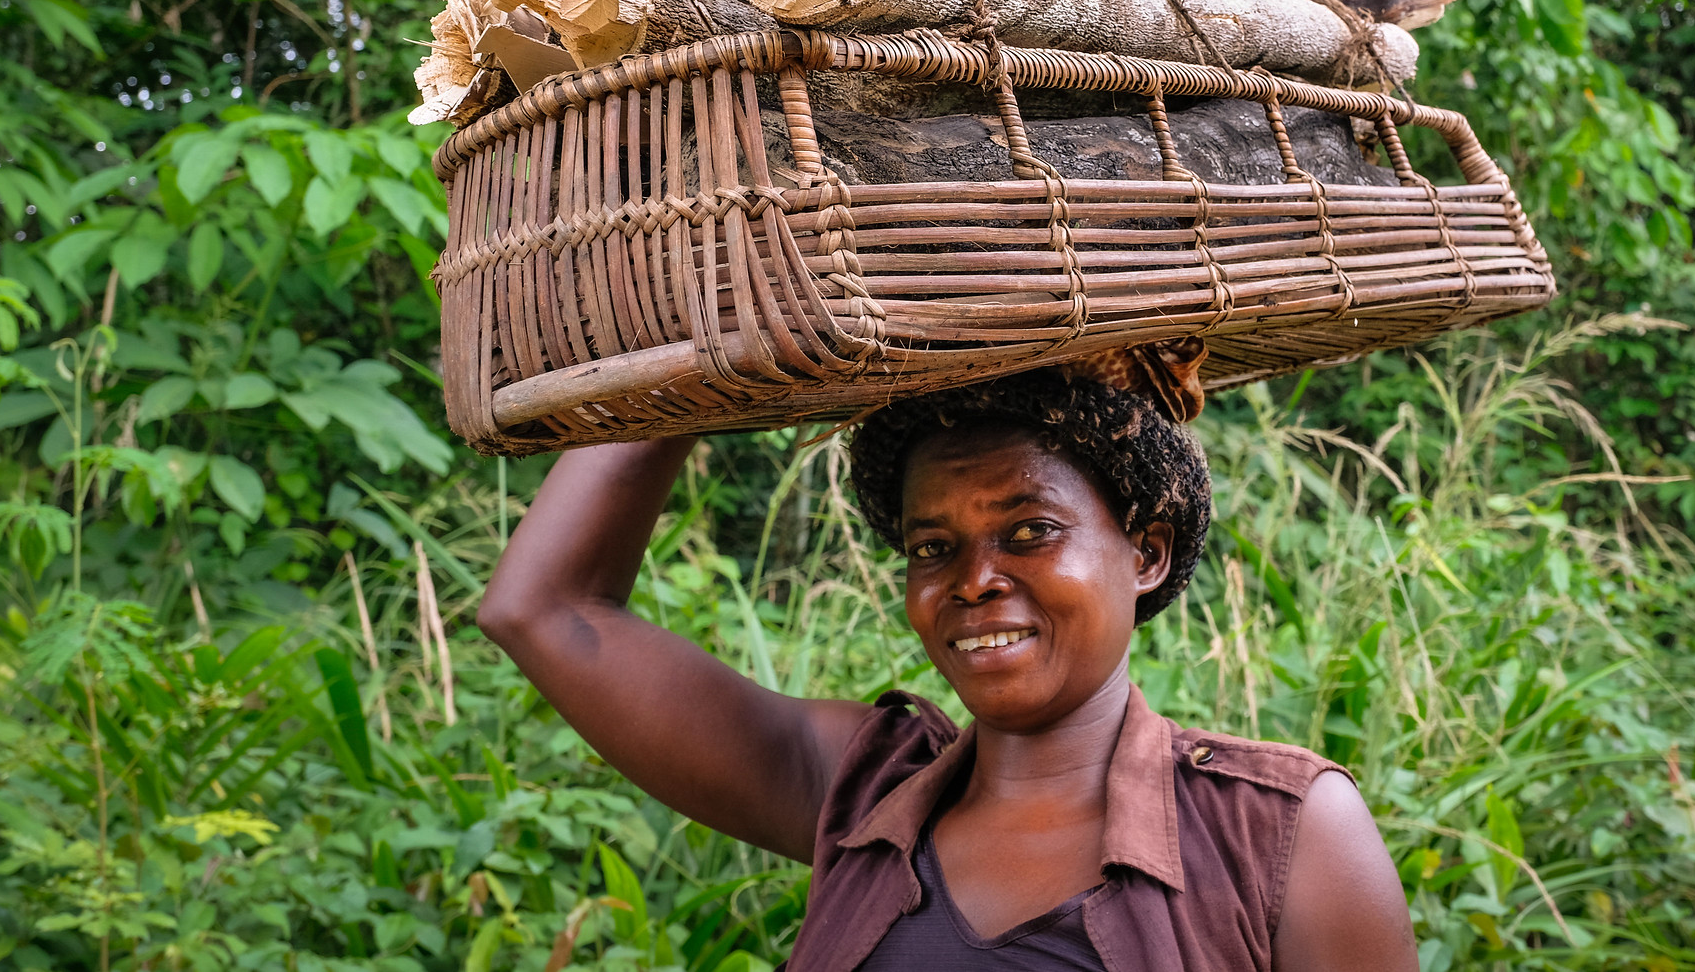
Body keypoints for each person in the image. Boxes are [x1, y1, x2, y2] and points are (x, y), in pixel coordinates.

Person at [479, 357, 1418, 971]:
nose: (974, 580)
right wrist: (694, 347)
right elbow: (542, 608)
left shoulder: (1281, 836)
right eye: (932, 547)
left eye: (1028, 531)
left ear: (1147, 552)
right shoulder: (856, 790)